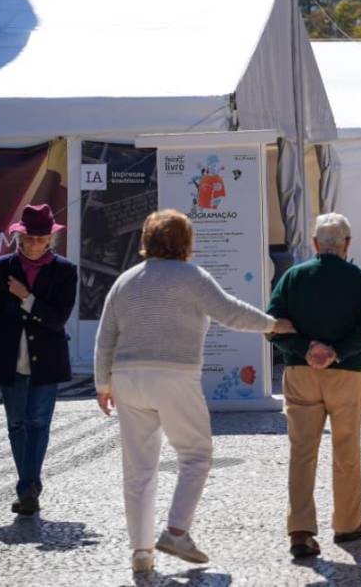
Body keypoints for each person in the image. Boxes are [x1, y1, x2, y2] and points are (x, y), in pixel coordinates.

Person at [94, 210, 294, 573]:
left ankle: (141, 552)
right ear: (186, 242)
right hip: (174, 374)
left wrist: (102, 384)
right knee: (196, 455)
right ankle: (176, 530)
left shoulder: (125, 280)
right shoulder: (192, 277)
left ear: (147, 240)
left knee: (137, 470)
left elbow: (106, 336)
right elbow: (229, 312)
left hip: (127, 376)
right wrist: (272, 325)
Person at [266, 212, 361, 559]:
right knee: (346, 448)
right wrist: (337, 351)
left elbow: (272, 326)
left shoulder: (292, 277)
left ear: (315, 244)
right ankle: (347, 522)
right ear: (347, 245)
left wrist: (307, 348)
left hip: (301, 373)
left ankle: (300, 530)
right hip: (347, 373)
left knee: (302, 452)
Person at [0, 204, 77, 518]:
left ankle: (27, 488)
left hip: (47, 361)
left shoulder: (64, 270)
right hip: (8, 361)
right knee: (17, 425)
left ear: (50, 239)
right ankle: (29, 485)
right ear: (20, 237)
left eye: (41, 238)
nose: (34, 244)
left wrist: (25, 296)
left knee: (39, 424)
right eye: (29, 238)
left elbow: (58, 319)